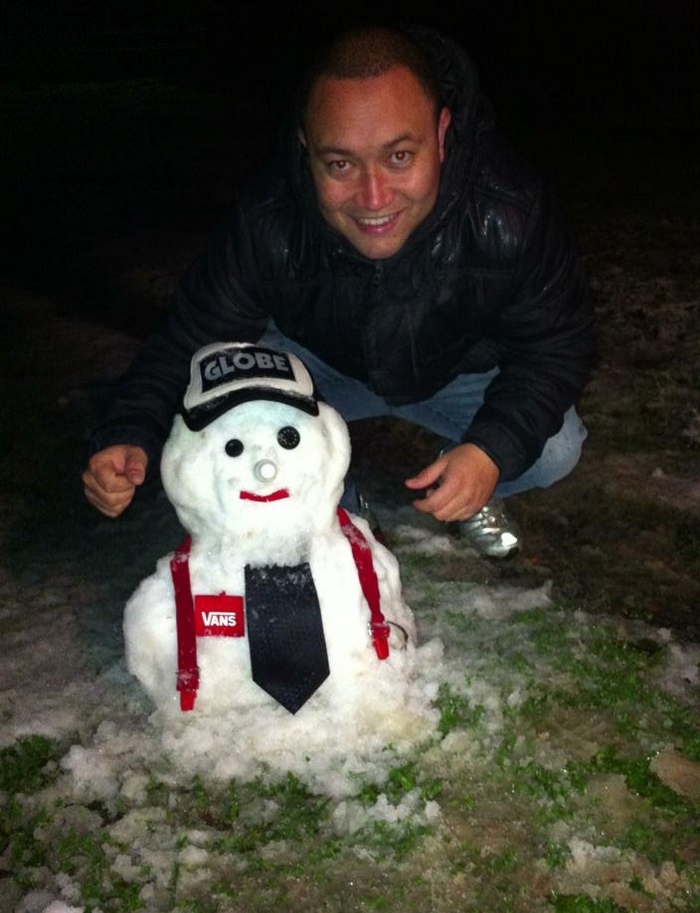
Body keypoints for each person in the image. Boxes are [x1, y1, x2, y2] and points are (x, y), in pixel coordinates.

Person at [83, 24, 595, 558]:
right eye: (341, 164)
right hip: (322, 370)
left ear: (442, 134)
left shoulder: (510, 210)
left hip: (454, 373)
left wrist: (489, 451)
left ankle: (465, 480)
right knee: (223, 426)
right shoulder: (269, 217)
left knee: (554, 448)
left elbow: (558, 344)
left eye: (400, 156)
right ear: (306, 148)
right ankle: (332, 508)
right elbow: (191, 337)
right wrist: (129, 430)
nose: (373, 198)